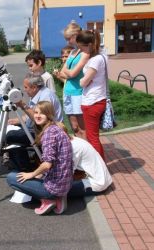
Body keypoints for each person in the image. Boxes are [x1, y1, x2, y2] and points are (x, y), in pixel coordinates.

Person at [7, 101, 73, 215]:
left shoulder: (48, 134)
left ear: (49, 115)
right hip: (66, 183)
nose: (37, 115)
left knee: (11, 178)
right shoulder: (57, 128)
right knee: (36, 175)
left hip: (54, 187)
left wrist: (31, 174)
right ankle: (59, 197)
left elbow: (47, 164)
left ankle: (49, 199)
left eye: (42, 113)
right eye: (36, 112)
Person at [6, 72, 63, 171]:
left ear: (34, 87)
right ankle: (24, 163)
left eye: (26, 87)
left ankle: (24, 167)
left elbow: (40, 120)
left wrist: (23, 105)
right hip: (37, 128)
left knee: (11, 136)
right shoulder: (39, 94)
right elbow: (31, 115)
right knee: (10, 131)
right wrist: (17, 120)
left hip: (45, 132)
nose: (24, 89)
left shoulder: (46, 96)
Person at [76, 30, 107, 160]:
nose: (81, 51)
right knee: (94, 137)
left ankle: (99, 170)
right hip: (97, 99)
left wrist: (82, 80)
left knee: (92, 138)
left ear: (89, 45)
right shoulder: (102, 56)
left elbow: (84, 82)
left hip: (92, 102)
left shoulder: (95, 60)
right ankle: (100, 167)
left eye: (81, 47)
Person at [56, 21, 89, 139]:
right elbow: (62, 71)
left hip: (78, 93)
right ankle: (79, 151)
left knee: (82, 128)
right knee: (74, 127)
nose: (67, 42)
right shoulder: (73, 52)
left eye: (68, 38)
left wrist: (67, 73)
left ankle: (86, 152)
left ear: (75, 36)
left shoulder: (85, 52)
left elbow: (73, 73)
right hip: (67, 92)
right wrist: (68, 73)